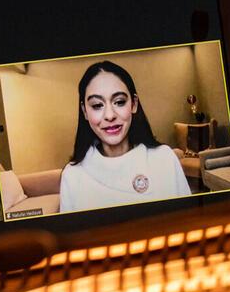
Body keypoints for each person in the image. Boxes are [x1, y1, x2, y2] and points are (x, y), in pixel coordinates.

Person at [59, 61, 190, 213]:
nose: (109, 115)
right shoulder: (73, 175)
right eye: (97, 105)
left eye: (119, 102)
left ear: (134, 104)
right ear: (85, 111)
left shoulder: (164, 158)